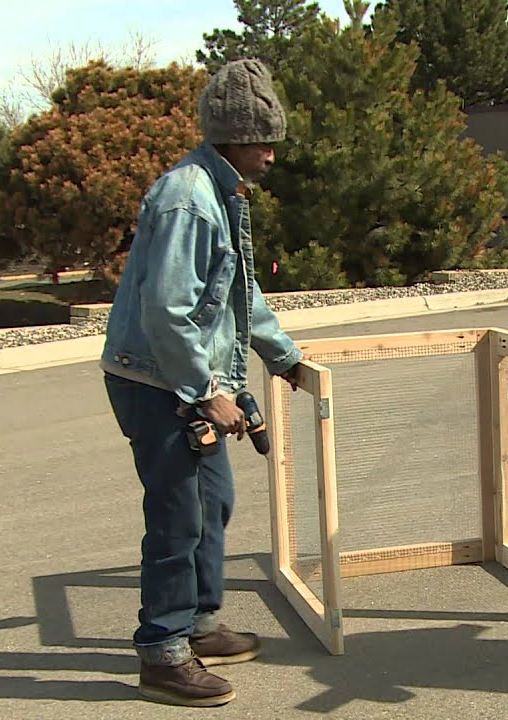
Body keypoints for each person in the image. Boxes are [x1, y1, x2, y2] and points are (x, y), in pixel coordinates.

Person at [99, 58, 304, 708]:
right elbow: (166, 311)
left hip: (186, 377)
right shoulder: (189, 199)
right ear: (230, 136)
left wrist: (284, 357)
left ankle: (198, 624)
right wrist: (206, 391)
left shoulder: (223, 192)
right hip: (157, 381)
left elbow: (241, 293)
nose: (271, 154)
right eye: (261, 140)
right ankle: (163, 653)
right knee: (178, 515)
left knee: (212, 502)